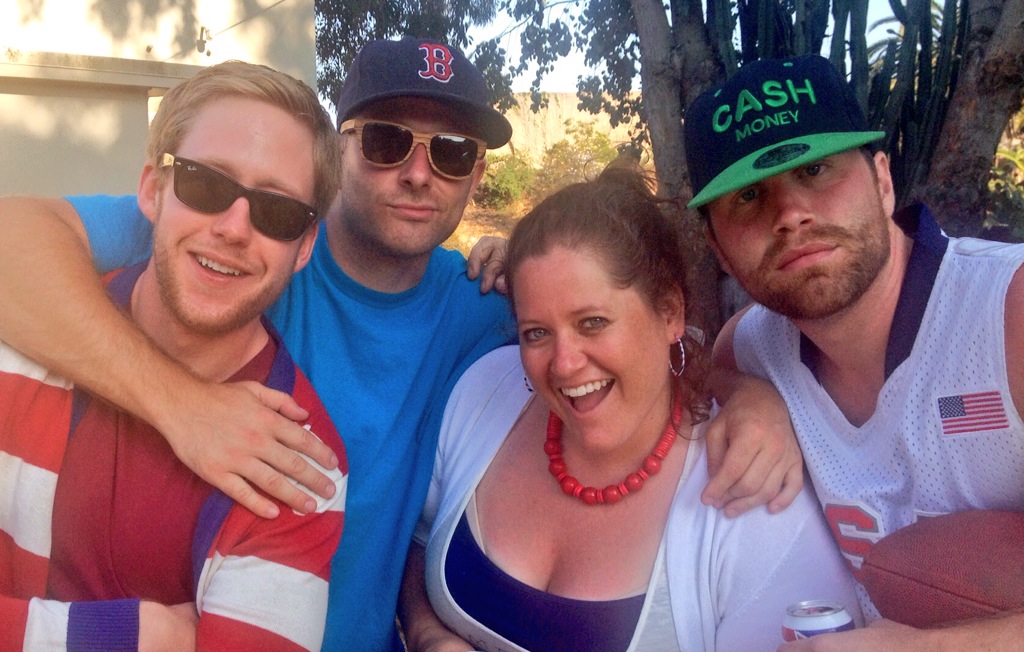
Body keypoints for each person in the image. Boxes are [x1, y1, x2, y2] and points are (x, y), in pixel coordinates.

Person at [0, 38, 803, 651]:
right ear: (342, 148)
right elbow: (14, 245)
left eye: (451, 153)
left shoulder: (489, 309)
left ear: (476, 175)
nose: (420, 174)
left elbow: (630, 343)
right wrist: (184, 408)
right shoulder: (254, 238)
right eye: (387, 141)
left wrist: (746, 394)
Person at [397, 167, 861, 652]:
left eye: (593, 322)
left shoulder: (758, 500)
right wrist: (430, 635)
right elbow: (419, 542)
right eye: (537, 332)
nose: (564, 363)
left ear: (670, 313)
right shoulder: (483, 393)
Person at [0, 61, 348, 650]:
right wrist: (140, 636)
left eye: (278, 211)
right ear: (152, 190)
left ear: (305, 245)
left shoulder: (296, 461)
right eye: (205, 184)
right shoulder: (20, 338)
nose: (234, 227)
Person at [683, 54, 1024, 649]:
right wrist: (747, 394)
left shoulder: (1007, 313)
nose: (790, 215)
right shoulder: (751, 350)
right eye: (749, 196)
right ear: (718, 249)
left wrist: (927, 648)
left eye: (815, 170)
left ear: (882, 180)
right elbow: (693, 368)